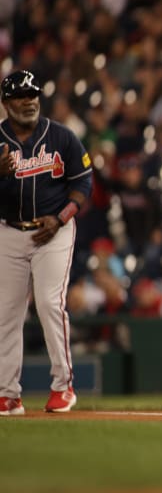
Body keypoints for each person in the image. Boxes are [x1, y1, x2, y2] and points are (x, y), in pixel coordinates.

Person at [0, 70, 93, 415]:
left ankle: (63, 386)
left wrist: (62, 217)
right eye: (21, 96)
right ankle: (8, 394)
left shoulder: (61, 136)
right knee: (6, 312)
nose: (29, 101)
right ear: (6, 103)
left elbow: (83, 182)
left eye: (33, 94)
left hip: (54, 229)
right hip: (8, 231)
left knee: (49, 303)